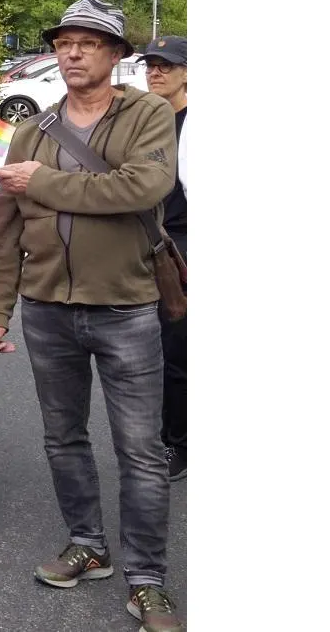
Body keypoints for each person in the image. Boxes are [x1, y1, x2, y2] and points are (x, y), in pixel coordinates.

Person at [0, 0, 183, 632]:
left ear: (116, 56)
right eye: (65, 42)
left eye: (89, 43)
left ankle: (147, 581)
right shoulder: (33, 130)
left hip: (127, 308)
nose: (73, 53)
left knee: (141, 450)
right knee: (63, 438)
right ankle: (87, 544)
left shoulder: (148, 113)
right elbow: (3, 228)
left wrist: (38, 182)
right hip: (47, 312)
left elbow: (140, 187)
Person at [140, 36, 188, 483]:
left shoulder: (192, 122)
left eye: (166, 66)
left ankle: (178, 442)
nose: (156, 73)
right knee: (145, 348)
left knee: (175, 349)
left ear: (187, 73)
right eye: (151, 65)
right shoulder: (143, 120)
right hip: (142, 242)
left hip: (182, 243)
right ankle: (152, 436)